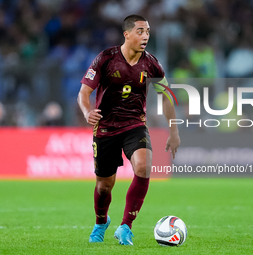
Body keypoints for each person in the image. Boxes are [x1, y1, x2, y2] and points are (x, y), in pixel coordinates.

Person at [77, 15, 180, 246]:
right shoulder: (105, 59)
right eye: (140, 31)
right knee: (104, 185)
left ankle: (126, 227)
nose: (145, 36)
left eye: (148, 32)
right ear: (127, 34)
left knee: (143, 167)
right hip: (105, 127)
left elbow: (167, 97)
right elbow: (84, 93)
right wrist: (87, 113)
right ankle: (101, 222)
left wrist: (174, 131)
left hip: (134, 124)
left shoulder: (152, 63)